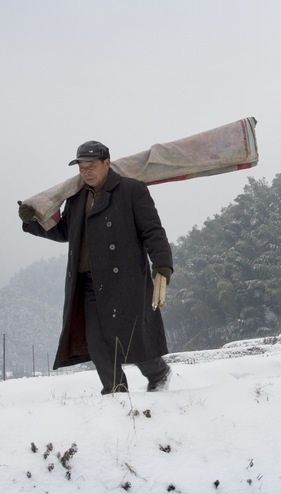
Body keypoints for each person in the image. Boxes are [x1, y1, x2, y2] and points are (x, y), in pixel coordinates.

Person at [18, 141, 173, 394]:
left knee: (133, 336)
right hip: (88, 281)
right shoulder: (77, 197)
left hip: (126, 279)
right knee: (97, 340)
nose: (86, 172)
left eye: (91, 166)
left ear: (107, 163)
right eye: (81, 167)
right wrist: (33, 221)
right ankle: (115, 389)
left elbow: (152, 231)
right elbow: (66, 231)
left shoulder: (132, 190)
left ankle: (159, 373)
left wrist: (163, 264)